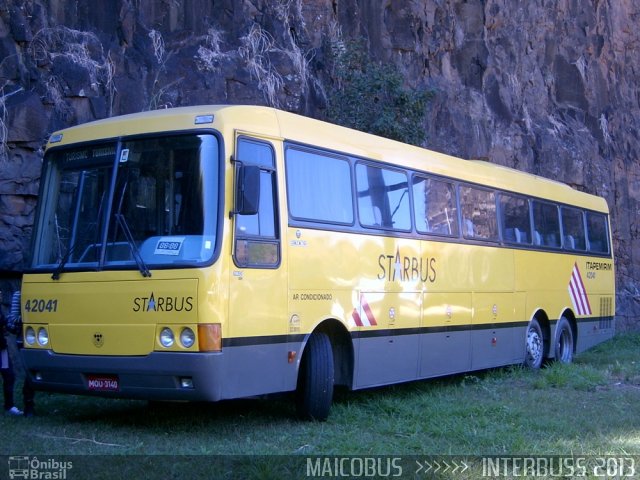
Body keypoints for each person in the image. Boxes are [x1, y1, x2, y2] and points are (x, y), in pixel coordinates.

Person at [0, 290, 22, 415]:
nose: (1, 294)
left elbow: (6, 324)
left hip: (2, 348)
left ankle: (9, 405)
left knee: (9, 375)